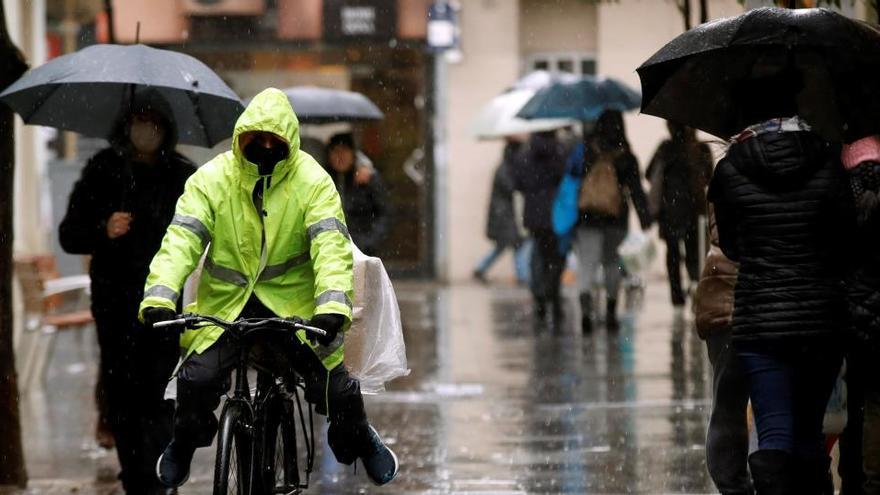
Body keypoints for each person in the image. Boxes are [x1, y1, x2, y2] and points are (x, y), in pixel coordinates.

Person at [138, 88, 399, 488]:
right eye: (254, 139)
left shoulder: (312, 181)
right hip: (226, 307)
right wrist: (160, 294)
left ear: (288, 142)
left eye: (272, 140)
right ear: (240, 138)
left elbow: (331, 246)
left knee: (336, 386)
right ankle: (184, 443)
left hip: (294, 307)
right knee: (196, 380)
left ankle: (361, 436)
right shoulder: (212, 179)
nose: (263, 146)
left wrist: (332, 308)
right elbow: (182, 238)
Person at [708, 68, 855, 494]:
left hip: (761, 323)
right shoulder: (827, 158)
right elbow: (843, 236)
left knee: (774, 432)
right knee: (810, 434)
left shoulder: (731, 168)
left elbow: (732, 245)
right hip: (820, 321)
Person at [58, 91, 196, 495]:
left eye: (153, 123)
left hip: (167, 304)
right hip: (115, 304)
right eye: (139, 121)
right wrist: (104, 227)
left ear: (165, 128)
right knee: (122, 395)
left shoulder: (183, 176)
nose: (145, 131)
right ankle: (134, 473)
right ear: (126, 125)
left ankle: (160, 473)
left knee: (162, 392)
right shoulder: (103, 170)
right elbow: (70, 234)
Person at [570, 110, 652, 333]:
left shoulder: (586, 151)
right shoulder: (626, 156)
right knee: (612, 264)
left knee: (587, 265)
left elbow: (571, 180)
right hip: (616, 218)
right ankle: (610, 313)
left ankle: (586, 311)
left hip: (587, 218)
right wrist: (645, 217)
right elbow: (636, 190)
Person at [693, 206, 752, 495]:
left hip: (726, 300)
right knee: (776, 409)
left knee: (728, 406)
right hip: (746, 301)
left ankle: (735, 486)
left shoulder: (728, 174)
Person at [840, 135, 880, 495]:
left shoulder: (840, 188)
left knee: (851, 404)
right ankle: (874, 478)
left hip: (849, 312)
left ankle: (851, 477)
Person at [647, 122, 713, 312]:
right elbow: (710, 176)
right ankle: (694, 285)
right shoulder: (701, 148)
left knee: (673, 253)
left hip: (671, 211)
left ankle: (676, 296)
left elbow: (648, 172)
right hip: (695, 210)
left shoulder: (666, 148)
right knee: (694, 252)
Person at [512, 131, 567, 331]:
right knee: (556, 256)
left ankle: (540, 295)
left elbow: (517, 183)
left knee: (538, 254)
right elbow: (565, 178)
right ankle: (553, 292)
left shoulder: (525, 154)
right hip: (556, 212)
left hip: (534, 213)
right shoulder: (560, 152)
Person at [325, 132, 390, 256]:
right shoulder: (323, 179)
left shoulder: (367, 178)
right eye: (335, 151)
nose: (340, 156)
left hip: (363, 251)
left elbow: (385, 213)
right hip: (332, 251)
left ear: (353, 154)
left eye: (344, 150)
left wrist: (369, 241)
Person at [473, 138, 528, 284]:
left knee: (508, 244)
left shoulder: (505, 167)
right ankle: (521, 275)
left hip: (504, 214)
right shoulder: (505, 169)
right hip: (503, 215)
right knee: (514, 243)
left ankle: (482, 268)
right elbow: (511, 187)